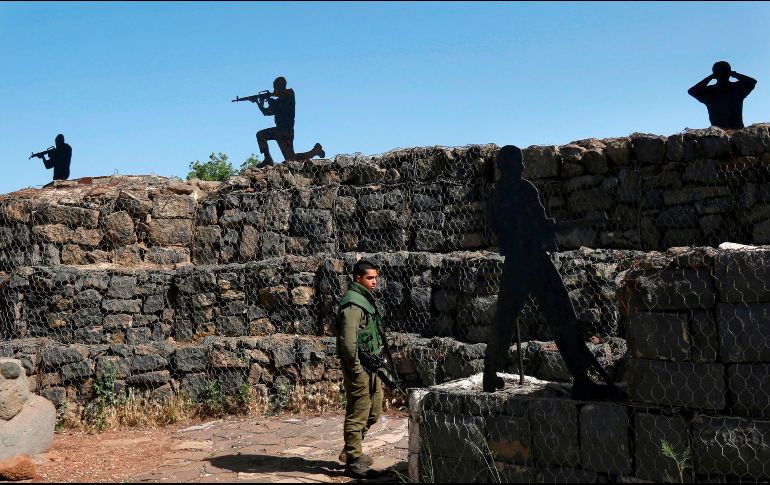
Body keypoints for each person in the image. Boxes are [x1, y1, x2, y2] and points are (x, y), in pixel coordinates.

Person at [482, 145, 623, 401]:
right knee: (561, 315)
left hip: (517, 262)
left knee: (505, 317)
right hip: (533, 260)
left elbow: (515, 229)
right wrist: (554, 232)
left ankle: (489, 375)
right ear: (512, 166)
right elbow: (539, 223)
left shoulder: (497, 196)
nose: (523, 167)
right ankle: (581, 379)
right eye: (519, 163)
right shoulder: (524, 190)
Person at [336, 260, 385, 479]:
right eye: (369, 278)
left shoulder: (364, 300)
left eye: (375, 278)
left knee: (374, 410)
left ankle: (351, 449)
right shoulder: (353, 306)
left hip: (370, 366)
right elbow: (348, 343)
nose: (374, 282)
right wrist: (356, 370)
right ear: (358, 279)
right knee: (358, 412)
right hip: (359, 368)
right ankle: (354, 460)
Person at [253, 76, 325, 167]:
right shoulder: (280, 99)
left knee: (290, 159)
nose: (274, 89)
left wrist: (269, 98)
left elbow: (277, 106)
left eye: (276, 87)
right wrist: (259, 103)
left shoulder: (289, 94)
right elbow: (267, 112)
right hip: (280, 130)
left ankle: (314, 151)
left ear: (282, 86)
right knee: (261, 135)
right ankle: (268, 159)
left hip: (285, 130)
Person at [688, 61, 757, 129]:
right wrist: (734, 74)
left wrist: (711, 77)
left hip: (719, 133)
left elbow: (692, 91)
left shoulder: (709, 92)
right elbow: (752, 82)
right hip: (731, 131)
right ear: (729, 73)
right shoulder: (737, 88)